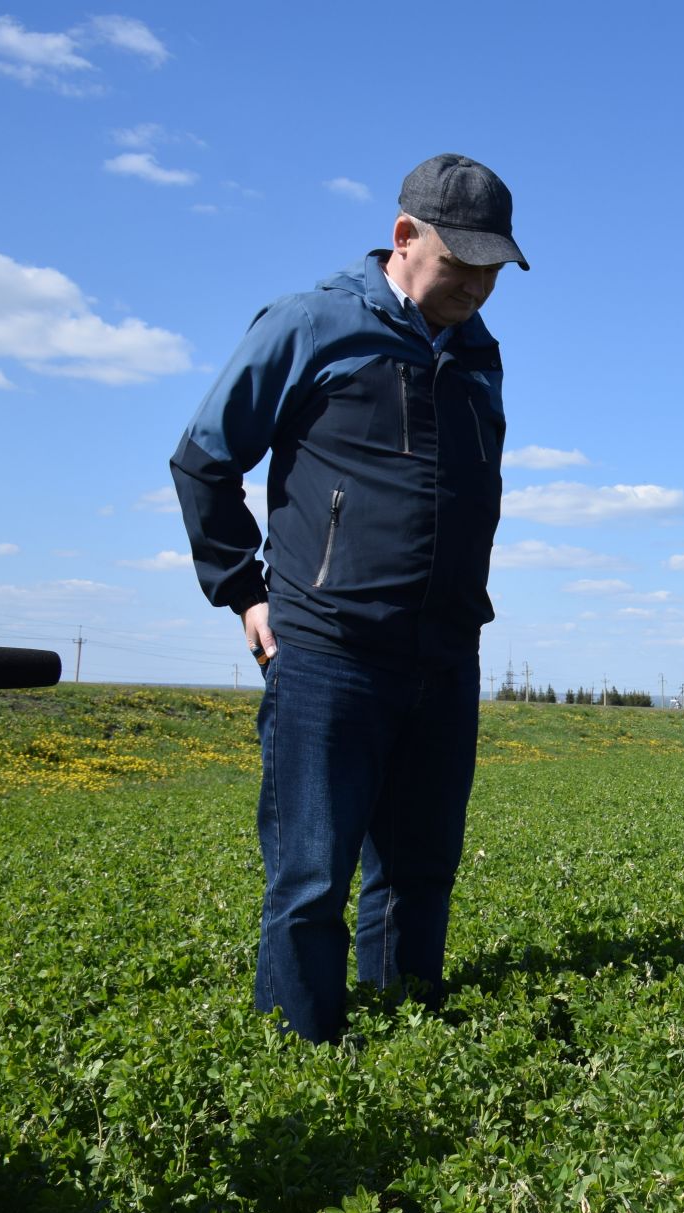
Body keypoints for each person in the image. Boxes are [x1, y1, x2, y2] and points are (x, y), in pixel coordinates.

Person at [170, 154, 529, 1043]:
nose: (481, 284)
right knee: (311, 876)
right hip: (329, 647)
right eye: (463, 262)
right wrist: (244, 593)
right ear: (405, 237)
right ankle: (302, 1058)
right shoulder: (313, 325)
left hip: (444, 653)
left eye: (494, 267)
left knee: (422, 869)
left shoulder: (479, 354)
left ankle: (405, 1035)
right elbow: (205, 459)